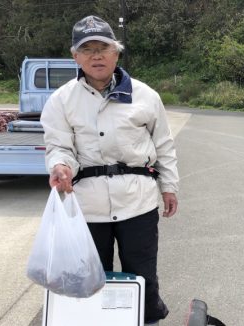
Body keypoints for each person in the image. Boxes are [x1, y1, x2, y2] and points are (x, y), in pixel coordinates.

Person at [40, 15, 179, 326]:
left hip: (138, 204)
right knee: (90, 280)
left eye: (103, 47)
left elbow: (164, 146)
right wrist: (60, 166)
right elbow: (59, 147)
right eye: (86, 49)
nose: (96, 55)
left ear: (117, 52)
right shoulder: (61, 101)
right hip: (87, 209)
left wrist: (169, 187)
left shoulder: (145, 96)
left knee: (143, 277)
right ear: (75, 56)